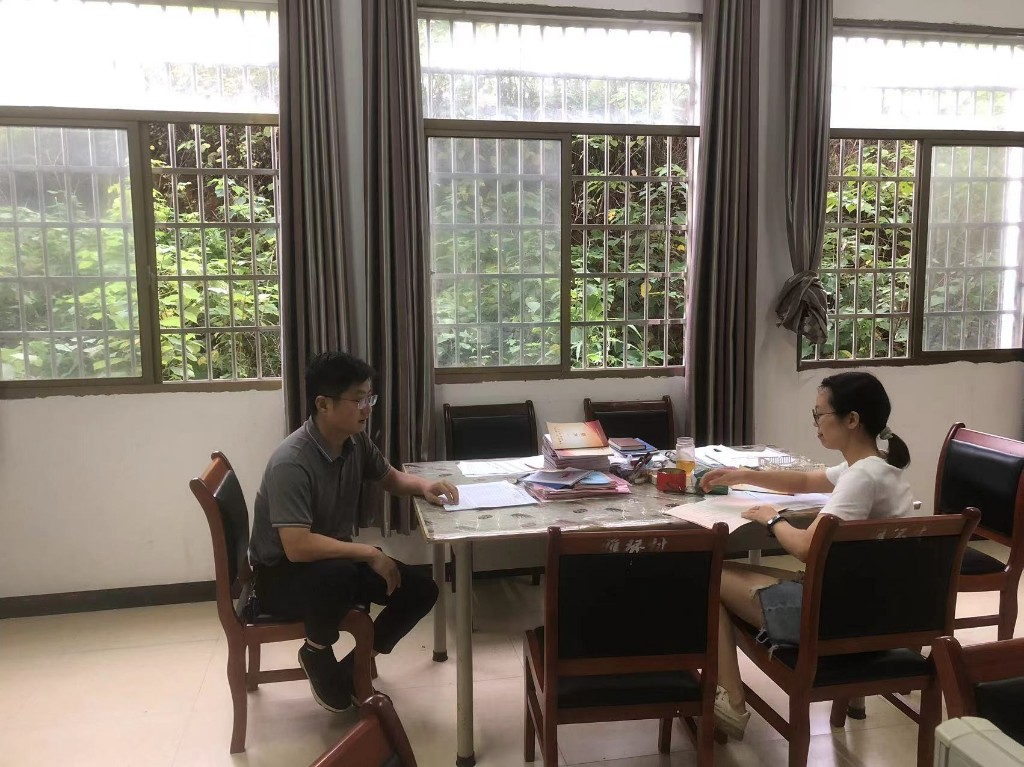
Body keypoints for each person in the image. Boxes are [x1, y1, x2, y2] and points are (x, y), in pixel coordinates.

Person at [698, 371, 914, 740]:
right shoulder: (876, 466)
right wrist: (742, 474)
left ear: (851, 420)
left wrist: (773, 518)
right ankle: (849, 698)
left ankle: (730, 700)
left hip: (834, 619)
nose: (815, 423)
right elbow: (804, 481)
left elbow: (805, 548)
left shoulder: (861, 479)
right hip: (874, 609)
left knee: (710, 576)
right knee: (727, 572)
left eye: (819, 414)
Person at [248, 351, 459, 713]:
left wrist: (424, 486)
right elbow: (296, 547)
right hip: (280, 576)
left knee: (421, 590)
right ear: (323, 404)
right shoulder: (292, 462)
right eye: (358, 400)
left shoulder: (354, 440)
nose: (367, 409)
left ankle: (354, 666)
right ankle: (316, 651)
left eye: (369, 398)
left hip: (330, 564)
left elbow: (389, 477)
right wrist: (370, 553)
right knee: (342, 574)